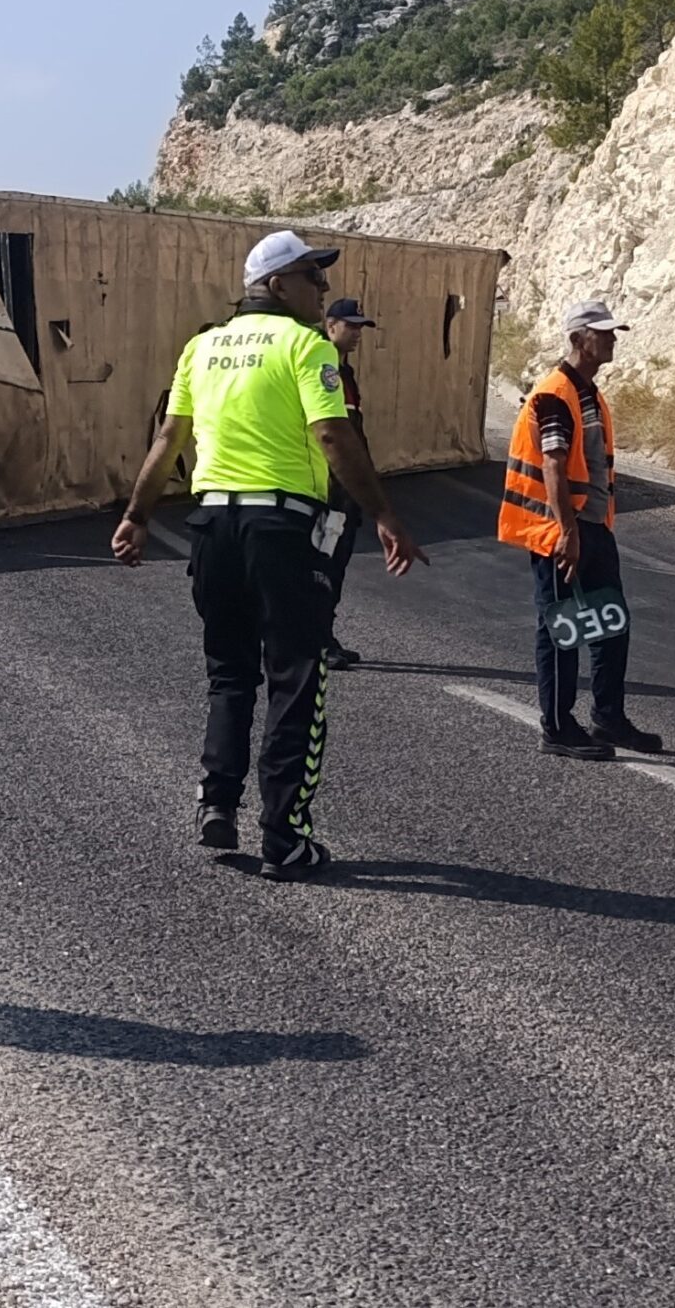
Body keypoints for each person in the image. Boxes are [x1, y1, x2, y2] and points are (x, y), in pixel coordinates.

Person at [112, 231, 424, 880]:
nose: (324, 290)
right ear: (278, 285)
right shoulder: (307, 347)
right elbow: (335, 437)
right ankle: (285, 837)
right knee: (297, 678)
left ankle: (217, 801)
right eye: (315, 277)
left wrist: (137, 515)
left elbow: (170, 437)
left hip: (213, 525)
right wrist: (388, 516)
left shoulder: (202, 347)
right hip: (282, 530)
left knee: (230, 673)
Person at [499, 300, 663, 760]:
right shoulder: (555, 393)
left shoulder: (587, 392)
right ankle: (557, 726)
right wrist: (567, 532)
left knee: (611, 622)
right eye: (603, 332)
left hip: (592, 528)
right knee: (562, 627)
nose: (612, 339)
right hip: (561, 532)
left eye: (613, 332)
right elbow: (553, 464)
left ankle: (608, 718)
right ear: (577, 339)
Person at [320, 297, 374, 670]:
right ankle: (317, 639)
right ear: (331, 326)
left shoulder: (346, 373)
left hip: (346, 492)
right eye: (350, 325)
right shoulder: (321, 369)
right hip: (326, 490)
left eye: (360, 327)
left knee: (335, 566)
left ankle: (324, 634)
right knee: (321, 567)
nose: (356, 333)